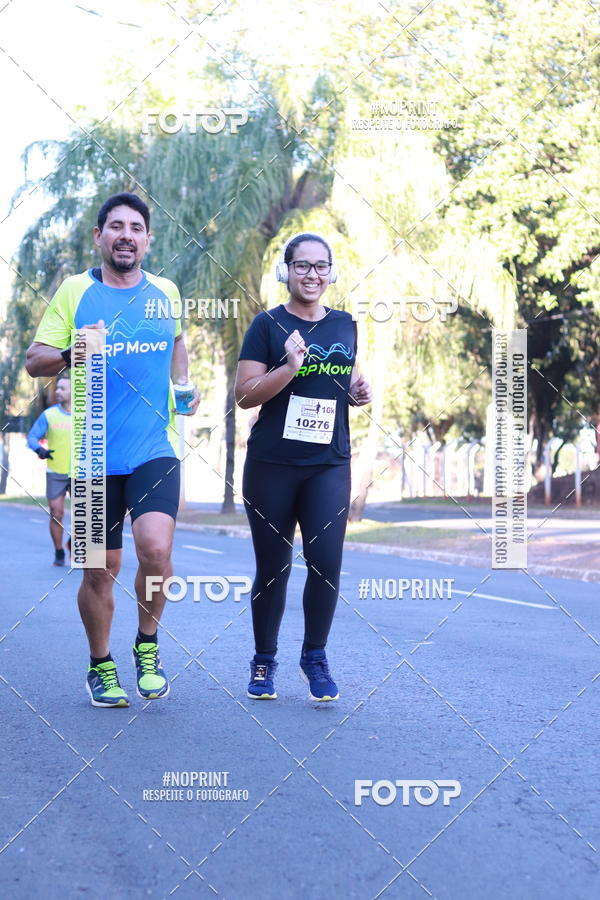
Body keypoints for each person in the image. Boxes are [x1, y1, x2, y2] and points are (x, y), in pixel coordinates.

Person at [25, 192, 199, 708]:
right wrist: (74, 350)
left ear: (148, 239)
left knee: (156, 549)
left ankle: (147, 645)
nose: (126, 234)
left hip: (154, 446)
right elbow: (35, 362)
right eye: (116, 226)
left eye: (136, 227)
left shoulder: (166, 291)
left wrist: (183, 385)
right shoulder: (75, 292)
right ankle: (101, 664)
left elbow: (178, 340)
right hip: (93, 450)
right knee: (99, 567)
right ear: (99, 236)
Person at [234, 232, 372, 702]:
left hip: (328, 465)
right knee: (273, 568)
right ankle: (263, 661)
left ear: (331, 272)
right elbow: (244, 395)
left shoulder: (347, 325)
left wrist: (356, 390)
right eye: (302, 266)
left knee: (327, 563)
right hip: (272, 464)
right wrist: (288, 368)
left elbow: (345, 381)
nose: (312, 274)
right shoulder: (267, 325)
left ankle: (314, 657)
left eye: (320, 266)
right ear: (286, 271)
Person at [27, 372, 72, 566]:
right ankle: (59, 551)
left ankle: (72, 543)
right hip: (55, 472)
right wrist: (40, 450)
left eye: (63, 388)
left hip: (81, 473)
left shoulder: (89, 414)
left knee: (85, 516)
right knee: (57, 513)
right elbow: (32, 437)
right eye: (58, 388)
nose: (58, 392)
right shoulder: (49, 414)